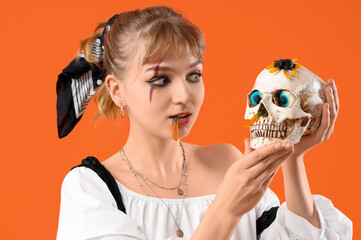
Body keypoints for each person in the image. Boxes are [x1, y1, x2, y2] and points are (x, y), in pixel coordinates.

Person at [56, 6, 352, 240]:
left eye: (194, 76)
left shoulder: (227, 162)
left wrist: (292, 156)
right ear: (117, 90)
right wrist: (227, 208)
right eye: (160, 80)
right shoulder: (90, 189)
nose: (184, 95)